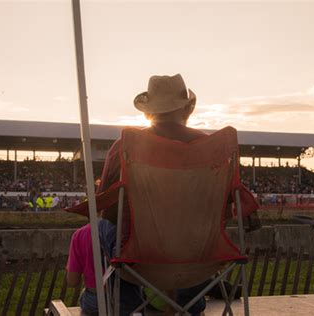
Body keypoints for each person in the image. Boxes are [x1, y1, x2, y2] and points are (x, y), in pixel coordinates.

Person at [98, 74, 240, 315]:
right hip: (201, 257)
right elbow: (229, 207)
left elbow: (107, 209)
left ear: (149, 112)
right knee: (190, 231)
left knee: (103, 227)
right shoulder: (214, 150)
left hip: (140, 258)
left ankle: (126, 305)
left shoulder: (125, 146)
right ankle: (189, 305)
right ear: (187, 109)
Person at [66, 224, 98, 315]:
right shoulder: (131, 230)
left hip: (95, 300)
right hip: (132, 297)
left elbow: (72, 281)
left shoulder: (81, 234)